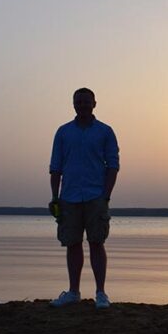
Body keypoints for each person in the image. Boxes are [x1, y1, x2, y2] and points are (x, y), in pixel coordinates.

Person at [48, 87, 120, 309]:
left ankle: (101, 293)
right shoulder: (63, 132)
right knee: (72, 244)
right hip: (68, 197)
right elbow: (55, 168)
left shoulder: (105, 132)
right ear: (73, 104)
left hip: (95, 196)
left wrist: (105, 196)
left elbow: (113, 166)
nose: (82, 105)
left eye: (86, 102)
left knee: (97, 242)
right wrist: (55, 198)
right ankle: (73, 292)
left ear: (94, 104)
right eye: (78, 102)